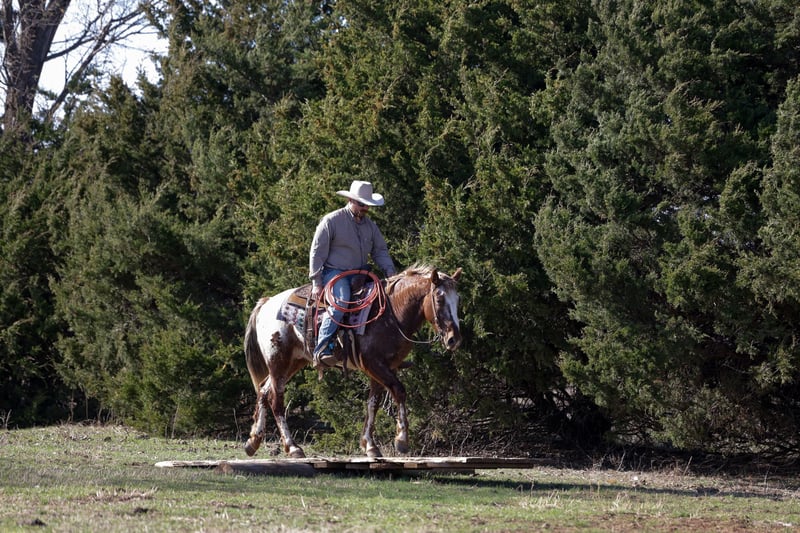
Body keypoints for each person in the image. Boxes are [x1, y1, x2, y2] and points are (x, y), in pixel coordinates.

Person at [309, 180, 397, 369]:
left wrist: (390, 271)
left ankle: (387, 351)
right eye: (361, 204)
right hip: (335, 272)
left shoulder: (371, 227)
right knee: (341, 302)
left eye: (367, 205)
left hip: (360, 273)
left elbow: (380, 251)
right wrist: (316, 282)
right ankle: (322, 348)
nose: (365, 208)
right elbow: (317, 252)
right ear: (350, 200)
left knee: (385, 301)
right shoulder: (332, 221)